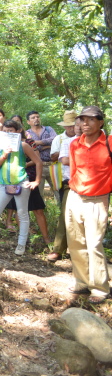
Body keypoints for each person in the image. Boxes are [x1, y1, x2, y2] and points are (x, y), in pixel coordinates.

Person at [66, 106, 111, 304]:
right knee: (75, 243)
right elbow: (74, 171)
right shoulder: (75, 144)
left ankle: (100, 288)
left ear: (100, 122)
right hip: (75, 197)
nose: (85, 123)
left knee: (94, 244)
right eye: (82, 119)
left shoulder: (109, 142)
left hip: (98, 199)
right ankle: (81, 282)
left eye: (91, 119)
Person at [0, 120, 42, 255]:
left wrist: (36, 181)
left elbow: (38, 161)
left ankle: (21, 245)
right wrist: (4, 155)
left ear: (17, 131)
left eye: (11, 130)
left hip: (21, 182)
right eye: (5, 130)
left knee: (22, 214)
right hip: (4, 184)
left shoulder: (23, 145)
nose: (8, 133)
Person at [49, 116, 81, 262]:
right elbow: (63, 160)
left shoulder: (97, 142)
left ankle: (81, 251)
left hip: (92, 185)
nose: (76, 128)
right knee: (65, 215)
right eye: (74, 126)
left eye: (76, 125)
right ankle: (58, 249)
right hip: (70, 182)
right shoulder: (66, 141)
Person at [25, 110, 58, 202]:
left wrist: (36, 143)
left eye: (37, 117)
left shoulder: (49, 129)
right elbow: (29, 148)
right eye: (33, 118)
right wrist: (46, 146)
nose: (36, 119)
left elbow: (55, 140)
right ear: (28, 122)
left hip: (52, 165)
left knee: (59, 192)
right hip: (38, 167)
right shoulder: (27, 133)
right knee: (39, 196)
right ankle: (43, 215)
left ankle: (62, 215)